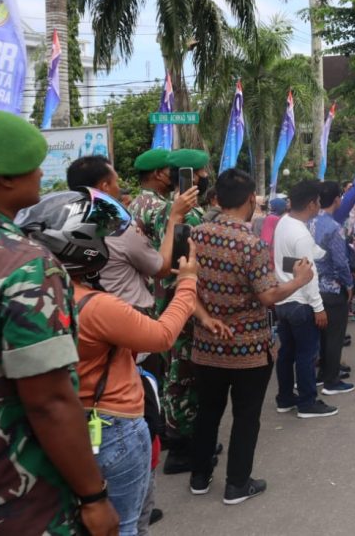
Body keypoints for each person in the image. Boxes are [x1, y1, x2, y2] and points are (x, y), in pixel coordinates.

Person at [0, 110, 119, 536]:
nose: (40, 173)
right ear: (4, 177)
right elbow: (49, 400)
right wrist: (93, 497)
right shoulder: (21, 264)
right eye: (33, 164)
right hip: (14, 500)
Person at [27, 190, 197, 535]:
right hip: (113, 425)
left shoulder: (36, 296)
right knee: (125, 525)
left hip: (69, 428)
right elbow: (162, 336)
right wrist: (188, 283)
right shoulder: (98, 306)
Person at [188, 168, 316, 505]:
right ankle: (237, 484)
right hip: (249, 350)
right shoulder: (252, 245)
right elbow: (267, 296)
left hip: (206, 344)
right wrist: (299, 280)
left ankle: (199, 476)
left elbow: (185, 285)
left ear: (217, 197)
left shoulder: (196, 235)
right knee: (246, 417)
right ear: (249, 199)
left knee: (208, 412)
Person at [67, 155, 196, 315]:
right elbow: (161, 268)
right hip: (128, 314)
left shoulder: (68, 225)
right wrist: (175, 217)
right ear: (105, 186)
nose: (119, 188)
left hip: (89, 312)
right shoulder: (116, 226)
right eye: (116, 182)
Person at [155, 149, 210, 475]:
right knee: (184, 376)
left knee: (177, 372)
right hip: (186, 305)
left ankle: (183, 439)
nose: (204, 179)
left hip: (172, 302)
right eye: (201, 173)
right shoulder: (187, 217)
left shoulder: (168, 211)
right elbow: (188, 266)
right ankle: (183, 448)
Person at [271, 180, 335, 419]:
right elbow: (309, 275)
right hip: (301, 301)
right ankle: (308, 402)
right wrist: (319, 307)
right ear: (311, 204)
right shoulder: (301, 233)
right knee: (307, 354)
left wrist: (319, 252)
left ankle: (285, 398)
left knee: (287, 352)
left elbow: (291, 260)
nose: (319, 205)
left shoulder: (284, 224)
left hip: (284, 298)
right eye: (318, 202)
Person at [310, 182, 355, 397]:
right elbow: (340, 262)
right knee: (335, 336)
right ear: (337, 199)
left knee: (320, 336)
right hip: (331, 287)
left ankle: (321, 374)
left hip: (310, 286)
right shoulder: (334, 227)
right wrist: (348, 284)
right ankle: (331, 380)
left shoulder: (308, 222)